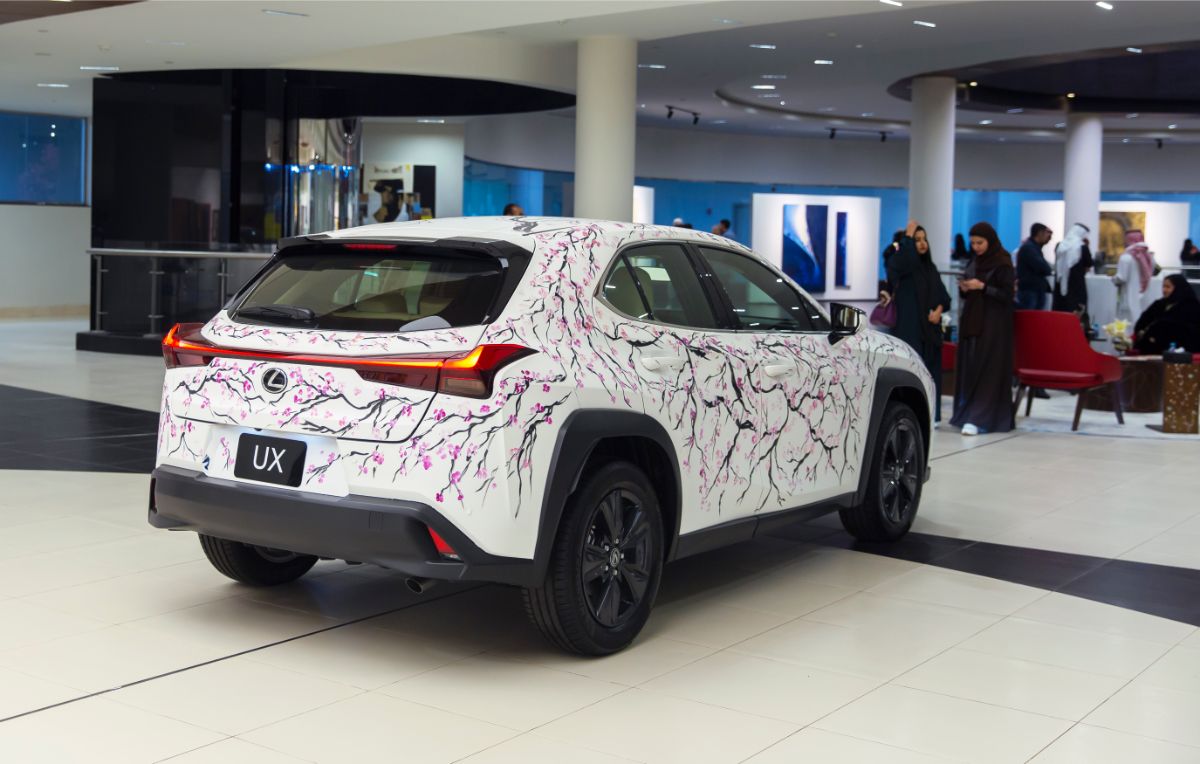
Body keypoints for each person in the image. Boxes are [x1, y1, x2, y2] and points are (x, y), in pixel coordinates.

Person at [951, 222, 1016, 436]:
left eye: (980, 243)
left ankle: (980, 418)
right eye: (973, 243)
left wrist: (983, 287)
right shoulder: (975, 261)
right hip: (973, 320)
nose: (976, 247)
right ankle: (969, 414)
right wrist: (965, 288)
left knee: (988, 369)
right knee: (971, 366)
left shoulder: (1003, 262)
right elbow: (969, 291)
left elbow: (1007, 295)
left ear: (990, 240)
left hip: (994, 324)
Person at [884, 220, 952, 420]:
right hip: (910, 329)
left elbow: (945, 298)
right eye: (917, 240)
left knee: (931, 373)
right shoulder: (903, 269)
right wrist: (907, 238)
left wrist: (938, 310)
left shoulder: (930, 268)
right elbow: (896, 264)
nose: (922, 244)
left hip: (930, 332)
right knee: (911, 372)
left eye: (924, 240)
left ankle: (932, 416)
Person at [1132, 274, 1200, 354]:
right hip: (1149, 347)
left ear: (1178, 288)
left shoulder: (1191, 306)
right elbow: (1142, 322)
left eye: (1168, 287)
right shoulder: (1159, 304)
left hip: (1178, 351)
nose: (1164, 290)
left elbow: (1189, 331)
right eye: (1163, 287)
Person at [1053, 222, 1094, 317]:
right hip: (1077, 285)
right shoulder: (1082, 247)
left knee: (1060, 313)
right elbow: (1089, 263)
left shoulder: (1059, 245)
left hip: (1060, 284)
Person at [1114, 229, 1156, 320]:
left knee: (1126, 323)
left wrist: (1113, 279)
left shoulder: (1126, 258)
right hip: (1145, 296)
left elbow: (1121, 278)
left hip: (1128, 296)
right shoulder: (1149, 257)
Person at [1016, 223, 1054, 310]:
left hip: (1035, 290)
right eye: (1046, 233)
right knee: (1030, 316)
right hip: (1030, 290)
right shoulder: (1029, 248)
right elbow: (1043, 267)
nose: (1049, 238)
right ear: (1040, 233)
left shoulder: (1034, 248)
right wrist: (1047, 269)